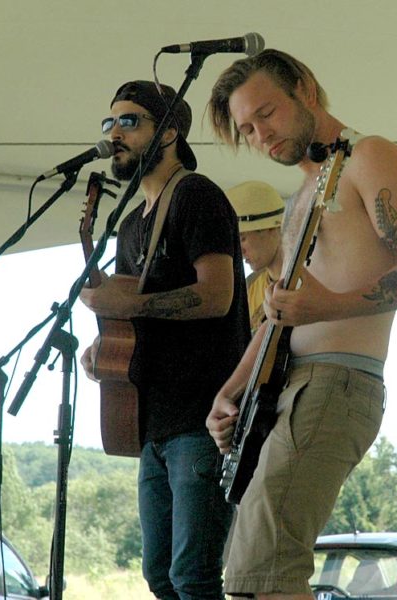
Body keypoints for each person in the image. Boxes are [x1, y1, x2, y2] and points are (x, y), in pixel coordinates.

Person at [205, 49, 397, 599]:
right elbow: (278, 314)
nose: (260, 135)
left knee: (267, 570)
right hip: (287, 388)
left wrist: (325, 307)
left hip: (337, 381)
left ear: (305, 90)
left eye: (266, 113)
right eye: (246, 129)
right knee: (248, 575)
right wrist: (229, 391)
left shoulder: (370, 157)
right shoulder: (299, 200)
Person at [79, 80, 250, 600]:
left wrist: (134, 305)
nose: (114, 134)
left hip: (201, 419)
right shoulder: (131, 225)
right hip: (150, 422)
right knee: (160, 578)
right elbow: (128, 311)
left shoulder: (196, 196)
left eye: (129, 121)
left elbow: (217, 295)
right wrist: (103, 350)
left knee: (192, 578)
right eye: (109, 123)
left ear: (171, 131)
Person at [226, 180, 285, 335]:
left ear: (272, 229)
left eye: (242, 238)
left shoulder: (311, 279)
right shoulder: (249, 287)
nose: (238, 251)